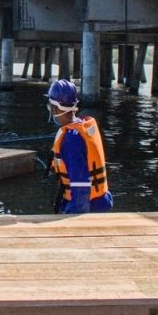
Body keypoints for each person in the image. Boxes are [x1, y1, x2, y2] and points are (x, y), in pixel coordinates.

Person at [45, 79, 114, 214]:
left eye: (50, 106)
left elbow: (81, 185)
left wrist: (76, 219)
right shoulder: (81, 126)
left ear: (55, 108)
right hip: (99, 201)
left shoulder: (71, 139)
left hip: (89, 206)